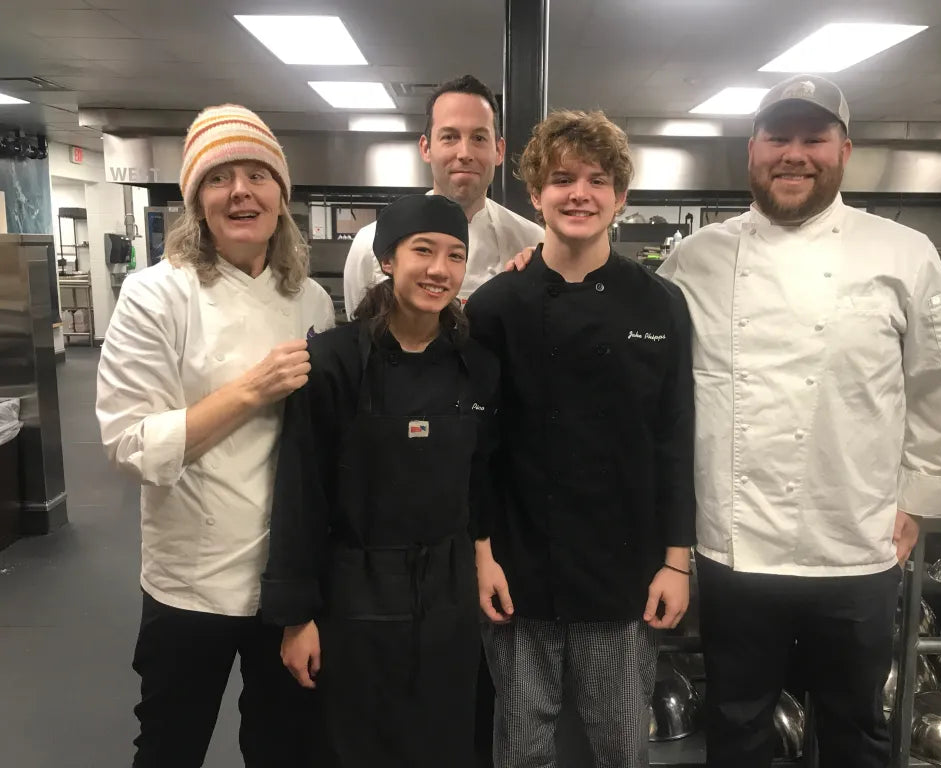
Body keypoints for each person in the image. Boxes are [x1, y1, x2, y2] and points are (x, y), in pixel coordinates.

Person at [656, 74, 941, 768]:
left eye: (813, 138)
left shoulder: (903, 254)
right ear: (752, 150)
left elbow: (939, 383)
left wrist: (919, 499)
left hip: (855, 542)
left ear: (845, 149)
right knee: (736, 725)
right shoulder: (695, 259)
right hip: (735, 546)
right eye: (778, 137)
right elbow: (650, 374)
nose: (793, 154)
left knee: (854, 724)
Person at [95, 105, 335, 767]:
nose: (241, 191)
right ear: (196, 199)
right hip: (190, 580)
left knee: (287, 744)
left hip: (283, 578)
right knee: (172, 744)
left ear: (281, 197)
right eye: (220, 177)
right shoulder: (154, 297)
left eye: (258, 175)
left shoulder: (310, 300)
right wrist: (251, 390)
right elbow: (131, 444)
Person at [465, 110, 696, 768]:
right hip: (518, 568)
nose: (580, 194)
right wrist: (482, 555)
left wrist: (676, 562)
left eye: (598, 180)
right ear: (535, 193)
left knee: (620, 747)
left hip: (622, 574)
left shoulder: (659, 304)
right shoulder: (496, 307)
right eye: (561, 178)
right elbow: (478, 448)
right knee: (522, 746)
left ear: (620, 198)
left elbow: (675, 437)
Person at [261, 194, 500, 767]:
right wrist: (296, 619)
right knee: (359, 747)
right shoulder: (333, 364)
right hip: (356, 595)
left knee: (445, 742)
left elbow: (482, 479)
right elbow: (300, 496)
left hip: (447, 594)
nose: (439, 269)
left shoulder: (477, 367)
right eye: (423, 251)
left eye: (455, 255)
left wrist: (485, 556)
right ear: (388, 259)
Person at [343, 74, 543, 313]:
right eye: (450, 137)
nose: (464, 153)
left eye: (479, 138)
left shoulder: (532, 241)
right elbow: (360, 336)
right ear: (426, 148)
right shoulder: (370, 243)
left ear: (499, 151)